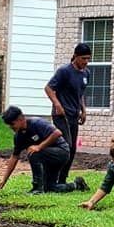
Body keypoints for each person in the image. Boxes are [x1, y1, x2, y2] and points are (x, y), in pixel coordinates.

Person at [0, 106, 88, 194]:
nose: (11, 127)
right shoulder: (19, 136)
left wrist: (39, 147)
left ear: (20, 119)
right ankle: (77, 185)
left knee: (34, 153)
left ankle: (37, 188)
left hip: (61, 152)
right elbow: (14, 157)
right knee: (50, 188)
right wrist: (4, 180)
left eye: (12, 124)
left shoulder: (37, 123)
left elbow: (57, 133)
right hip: (47, 157)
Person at [44, 42, 91, 183]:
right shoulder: (64, 71)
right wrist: (57, 104)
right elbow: (48, 88)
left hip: (74, 115)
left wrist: (83, 110)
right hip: (61, 115)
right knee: (66, 146)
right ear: (75, 56)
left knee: (73, 149)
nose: (86, 62)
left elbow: (80, 93)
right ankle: (52, 177)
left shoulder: (86, 73)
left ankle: (62, 179)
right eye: (83, 58)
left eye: (88, 58)